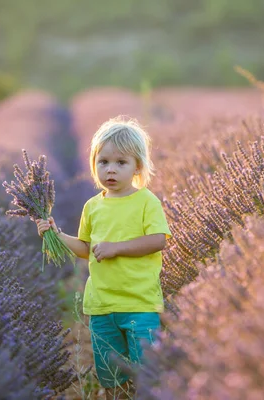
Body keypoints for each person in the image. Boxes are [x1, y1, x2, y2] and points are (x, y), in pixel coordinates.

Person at [35, 116, 171, 399]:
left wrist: (116, 248)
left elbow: (158, 240)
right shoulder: (93, 207)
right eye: (104, 162)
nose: (111, 170)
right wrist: (56, 235)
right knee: (111, 378)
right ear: (94, 164)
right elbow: (86, 248)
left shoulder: (147, 202)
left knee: (148, 372)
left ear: (137, 167)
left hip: (139, 303)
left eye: (121, 163)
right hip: (101, 306)